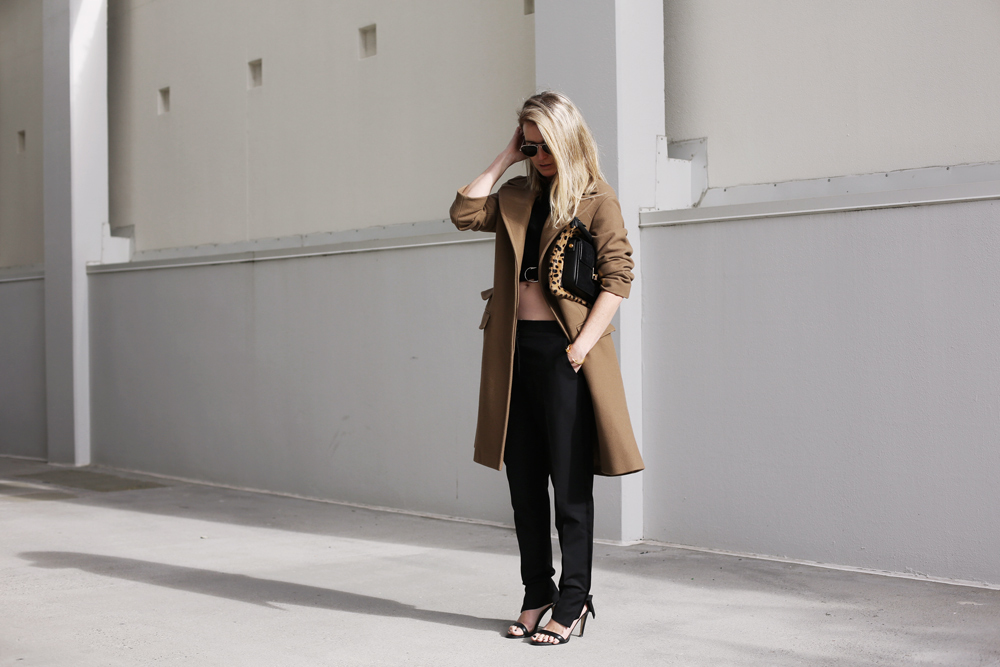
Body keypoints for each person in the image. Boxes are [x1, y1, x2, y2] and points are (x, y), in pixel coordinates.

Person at [449, 91, 644, 645]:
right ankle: (537, 593)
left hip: (566, 355)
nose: (540, 157)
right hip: (513, 354)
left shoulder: (596, 199)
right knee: (525, 486)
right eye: (530, 146)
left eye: (546, 146)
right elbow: (463, 213)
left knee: (570, 485)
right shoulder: (515, 194)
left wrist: (580, 349)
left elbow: (618, 278)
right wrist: (505, 157)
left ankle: (574, 600)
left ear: (569, 140)